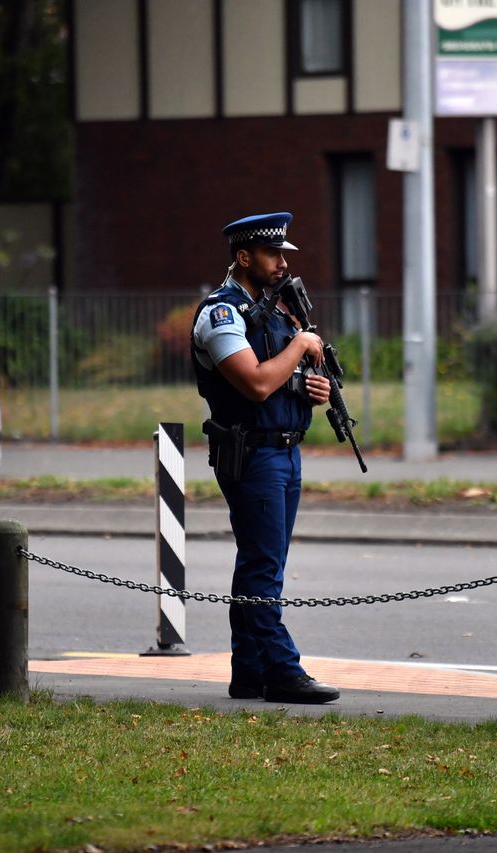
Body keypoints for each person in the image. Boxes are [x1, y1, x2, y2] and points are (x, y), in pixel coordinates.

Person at [190, 211, 340, 704]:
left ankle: (249, 671)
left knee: (263, 565)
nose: (281, 263)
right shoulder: (221, 314)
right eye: (273, 254)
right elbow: (254, 383)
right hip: (253, 456)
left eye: (283, 254)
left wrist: (310, 389)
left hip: (285, 452)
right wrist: (300, 347)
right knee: (261, 565)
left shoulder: (275, 312)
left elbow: (279, 382)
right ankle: (281, 669)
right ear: (243, 257)